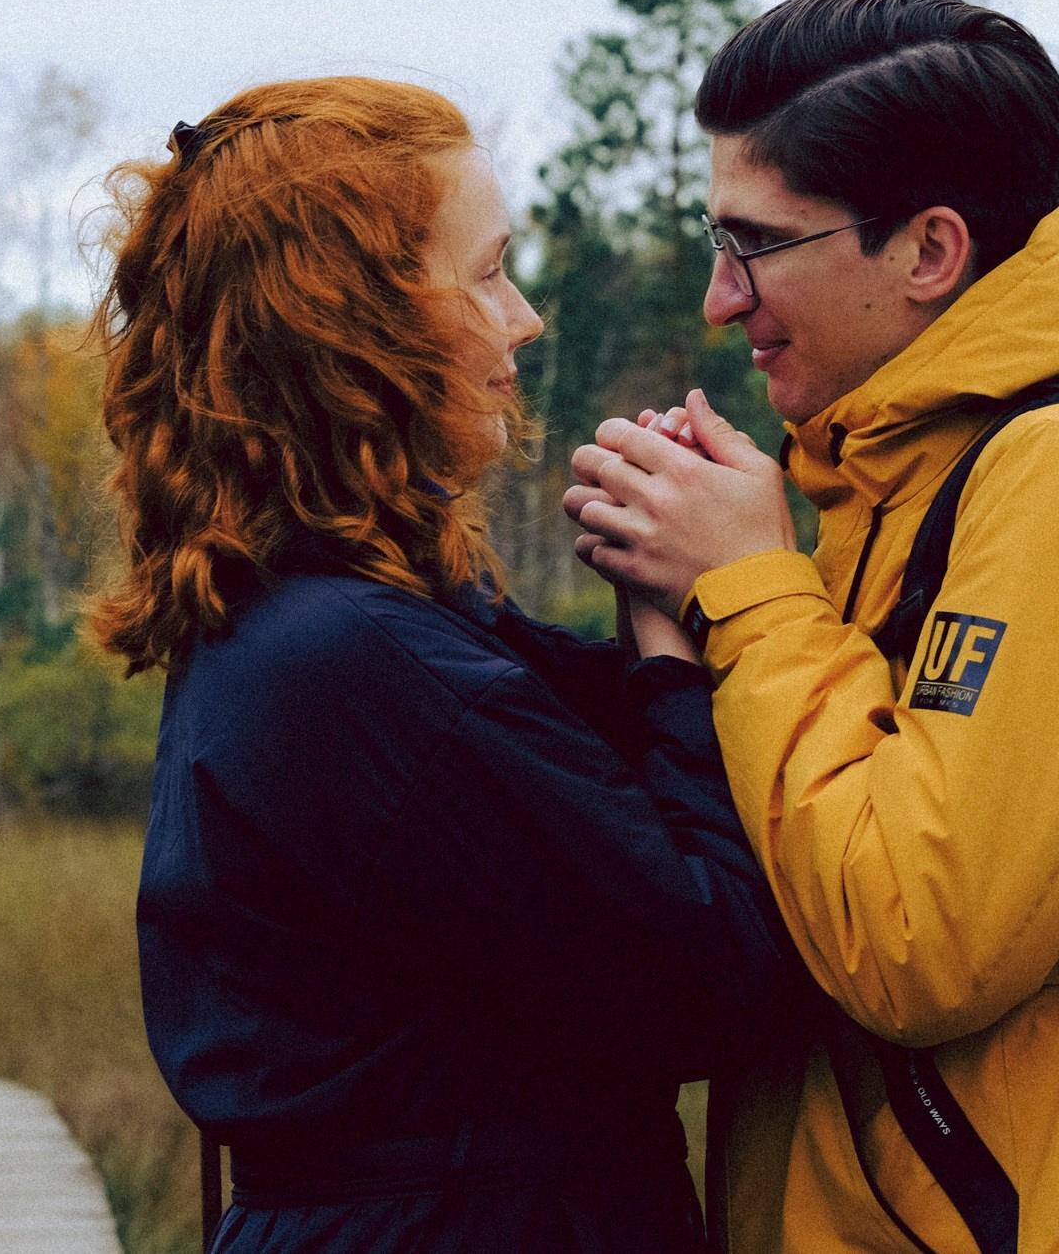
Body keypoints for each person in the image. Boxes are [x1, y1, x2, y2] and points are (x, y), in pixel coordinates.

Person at [565, 0, 1059, 1254]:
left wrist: (749, 588)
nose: (719, 299)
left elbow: (917, 944)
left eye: (755, 245)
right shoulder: (885, 475)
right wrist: (675, 635)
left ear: (929, 252)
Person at [105, 76, 802, 1254]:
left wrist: (668, 603)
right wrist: (717, 610)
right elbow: (712, 976)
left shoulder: (328, 621)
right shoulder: (352, 664)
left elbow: (596, 773)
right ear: (349, 323)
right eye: (485, 272)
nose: (523, 317)